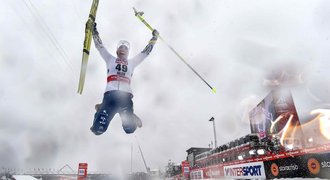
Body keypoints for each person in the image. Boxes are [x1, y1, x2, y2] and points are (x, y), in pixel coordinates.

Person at [90, 22, 159, 135]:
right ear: (117, 51)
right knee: (98, 129)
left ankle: (130, 116)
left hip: (125, 98)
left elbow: (145, 53)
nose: (123, 49)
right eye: (121, 47)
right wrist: (94, 30)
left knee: (129, 129)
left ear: (128, 52)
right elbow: (100, 46)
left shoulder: (132, 63)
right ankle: (102, 109)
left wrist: (154, 38)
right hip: (110, 97)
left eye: (126, 48)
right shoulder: (110, 59)